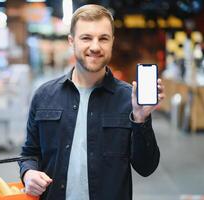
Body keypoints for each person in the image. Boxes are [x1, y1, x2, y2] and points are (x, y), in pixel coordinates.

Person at [19, 4, 165, 200]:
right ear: (71, 41)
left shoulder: (129, 99)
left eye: (103, 38)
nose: (95, 47)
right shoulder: (44, 96)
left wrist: (140, 119)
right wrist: (28, 173)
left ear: (112, 41)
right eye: (86, 38)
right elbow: (29, 153)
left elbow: (146, 167)